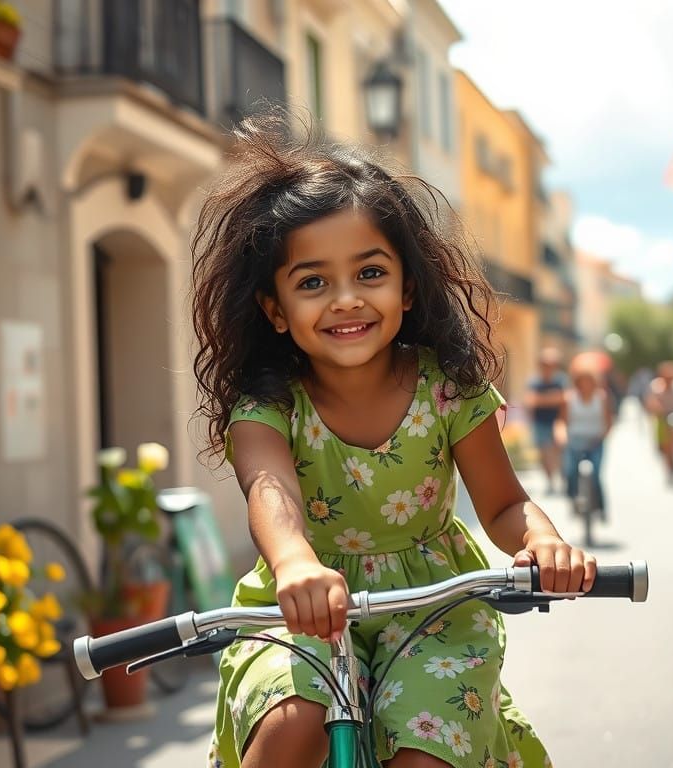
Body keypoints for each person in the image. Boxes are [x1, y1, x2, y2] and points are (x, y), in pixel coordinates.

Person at [190, 115, 595, 768]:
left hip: (433, 607)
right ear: (275, 309)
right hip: (299, 605)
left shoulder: (448, 390)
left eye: (370, 273)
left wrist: (543, 542)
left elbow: (502, 506)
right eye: (313, 282)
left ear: (408, 288)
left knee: (427, 751)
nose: (346, 300)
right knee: (292, 723)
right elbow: (270, 490)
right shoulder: (268, 404)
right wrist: (294, 564)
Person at [555, 356, 614, 518]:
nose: (585, 384)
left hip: (596, 441)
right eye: (582, 380)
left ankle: (601, 508)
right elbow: (561, 422)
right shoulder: (569, 398)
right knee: (571, 471)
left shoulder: (601, 397)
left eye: (589, 380)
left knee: (595, 474)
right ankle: (574, 500)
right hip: (575, 441)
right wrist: (561, 436)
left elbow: (609, 420)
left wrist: (603, 436)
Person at [525, 347, 568, 494]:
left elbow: (565, 399)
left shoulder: (561, 380)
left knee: (558, 452)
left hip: (557, 422)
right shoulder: (534, 381)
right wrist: (554, 398)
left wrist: (542, 399)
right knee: (544, 454)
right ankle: (550, 481)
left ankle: (562, 478)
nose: (549, 367)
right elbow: (530, 402)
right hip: (540, 423)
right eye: (546, 364)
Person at [645, 361, 673, 482]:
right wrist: (658, 408)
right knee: (666, 444)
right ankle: (670, 468)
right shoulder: (656, 387)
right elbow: (652, 402)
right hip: (663, 417)